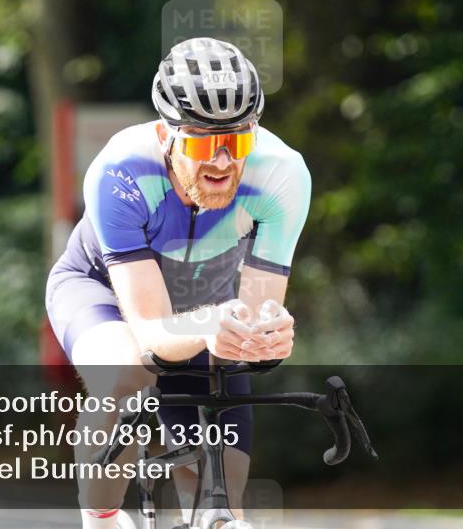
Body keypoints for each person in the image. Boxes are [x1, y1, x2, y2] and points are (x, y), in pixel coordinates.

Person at [46, 37, 311, 528]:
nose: (223, 162)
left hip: (208, 304)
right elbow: (150, 331)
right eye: (206, 143)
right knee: (127, 374)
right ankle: (102, 516)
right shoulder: (120, 171)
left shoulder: (282, 175)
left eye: (238, 141)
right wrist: (213, 326)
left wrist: (268, 337)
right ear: (166, 135)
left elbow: (258, 313)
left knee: (218, 495)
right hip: (102, 292)